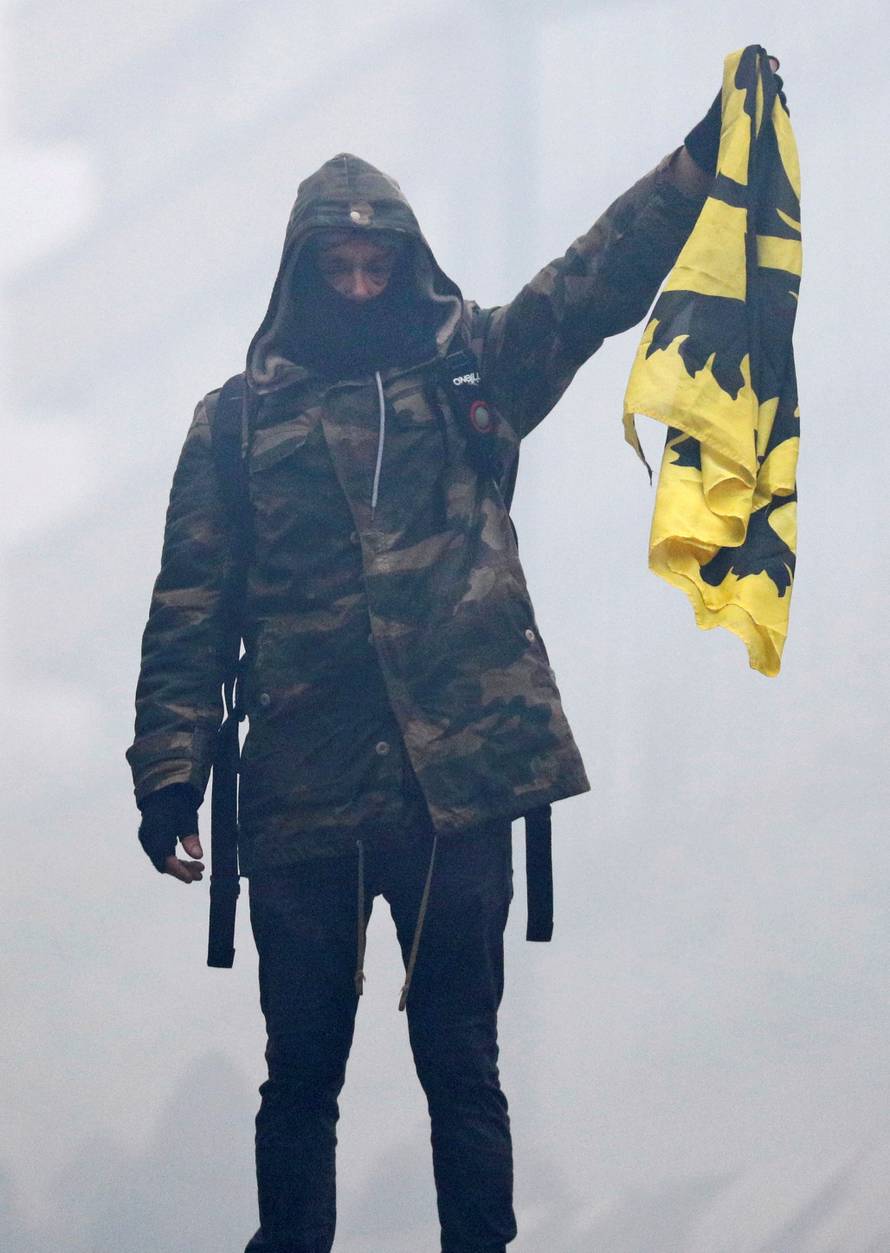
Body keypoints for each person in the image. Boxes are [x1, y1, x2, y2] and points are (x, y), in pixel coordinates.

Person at [127, 73, 755, 1251]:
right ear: (302, 272)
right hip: (301, 786)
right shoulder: (234, 424)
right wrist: (169, 777)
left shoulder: (473, 373)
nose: (359, 286)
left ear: (405, 264)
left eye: (376, 266)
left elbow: (591, 284)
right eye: (338, 268)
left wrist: (698, 159)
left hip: (454, 780)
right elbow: (189, 609)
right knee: (299, 1070)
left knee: (461, 1060)